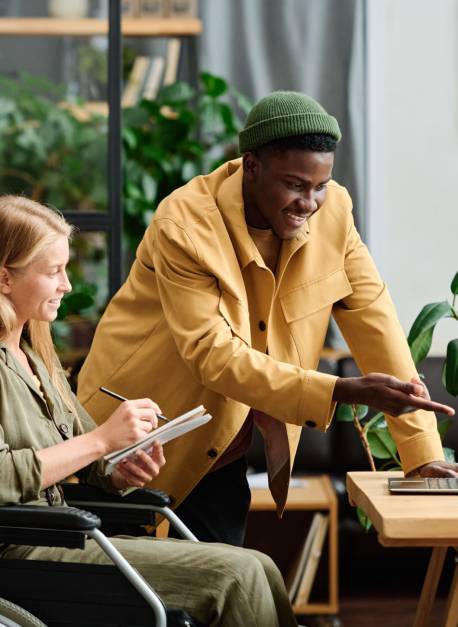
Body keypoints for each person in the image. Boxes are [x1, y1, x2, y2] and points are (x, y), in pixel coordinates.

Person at [78, 91, 456, 547]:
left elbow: (376, 321)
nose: (310, 202)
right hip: (130, 441)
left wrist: (421, 454)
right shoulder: (185, 223)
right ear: (251, 166)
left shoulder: (334, 211)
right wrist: (339, 390)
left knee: (219, 599)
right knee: (122, 603)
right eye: (296, 185)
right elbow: (212, 355)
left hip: (218, 449)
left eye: (320, 185)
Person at [0, 195, 299, 627]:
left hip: (63, 535)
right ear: (5, 278)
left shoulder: (35, 357)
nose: (66, 285)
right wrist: (101, 439)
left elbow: (89, 455)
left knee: (258, 565)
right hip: (23, 551)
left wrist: (118, 468)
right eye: (53, 272)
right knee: (239, 576)